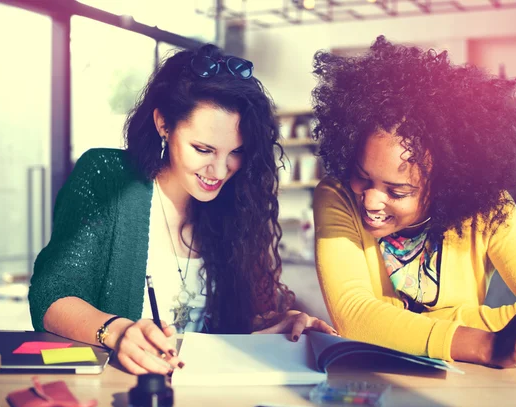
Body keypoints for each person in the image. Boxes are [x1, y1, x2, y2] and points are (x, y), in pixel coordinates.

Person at [29, 44, 335, 376]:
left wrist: (273, 326)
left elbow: (226, 333)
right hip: (125, 394)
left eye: (236, 152)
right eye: (203, 149)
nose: (219, 171)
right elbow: (51, 294)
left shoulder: (238, 203)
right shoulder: (108, 178)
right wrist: (118, 332)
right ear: (163, 124)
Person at [311, 36, 516, 368]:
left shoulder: (490, 210)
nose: (370, 201)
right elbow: (356, 318)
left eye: (397, 192)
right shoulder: (337, 195)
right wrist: (484, 343)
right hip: (375, 381)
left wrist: (398, 324)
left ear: (446, 186)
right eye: (362, 177)